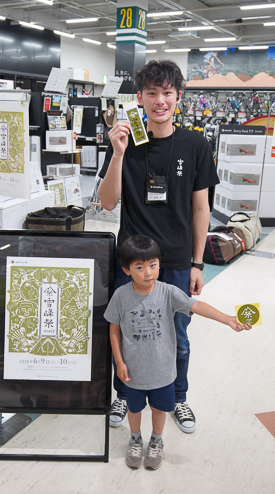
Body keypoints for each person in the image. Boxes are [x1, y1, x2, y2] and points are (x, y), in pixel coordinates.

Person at [98, 59, 220, 434]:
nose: (160, 101)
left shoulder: (196, 145)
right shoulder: (125, 141)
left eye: (167, 93)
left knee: (178, 338)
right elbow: (107, 202)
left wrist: (198, 263)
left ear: (178, 97)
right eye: (152, 93)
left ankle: (177, 398)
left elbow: (202, 207)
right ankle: (124, 392)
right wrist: (117, 154)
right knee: (126, 331)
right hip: (132, 261)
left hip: (178, 260)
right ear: (140, 98)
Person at [105, 235, 249, 470]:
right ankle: (134, 438)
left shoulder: (168, 292)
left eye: (153, 265)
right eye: (139, 267)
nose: (148, 272)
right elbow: (114, 329)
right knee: (133, 409)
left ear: (160, 264)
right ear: (126, 270)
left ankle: (156, 440)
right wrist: (119, 362)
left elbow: (196, 305)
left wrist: (227, 319)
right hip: (132, 371)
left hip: (163, 370)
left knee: (160, 408)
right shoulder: (121, 295)